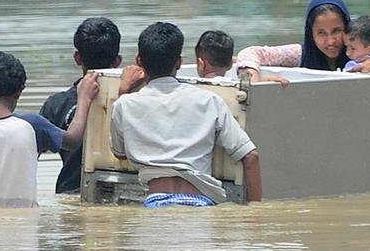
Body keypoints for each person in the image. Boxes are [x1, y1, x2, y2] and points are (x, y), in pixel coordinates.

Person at [110, 22, 262, 208]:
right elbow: (250, 156)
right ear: (179, 62)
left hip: (154, 204)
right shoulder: (209, 101)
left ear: (139, 60)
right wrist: (256, 214)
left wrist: (123, 91)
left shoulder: (124, 105)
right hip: (201, 203)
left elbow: (119, 153)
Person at [0, 51, 99, 207]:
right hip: (26, 222)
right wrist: (84, 99)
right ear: (19, 92)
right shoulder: (33, 125)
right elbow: (73, 140)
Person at [236, 0, 370, 77]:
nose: (330, 41)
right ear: (310, 34)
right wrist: (254, 79)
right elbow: (252, 53)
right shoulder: (301, 54)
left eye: (337, 31)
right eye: (321, 33)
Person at [40, 17, 122, 194]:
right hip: (121, 192)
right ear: (117, 61)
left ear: (77, 58)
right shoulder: (133, 98)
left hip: (70, 194)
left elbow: (30, 154)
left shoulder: (56, 105)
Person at [195, 29, 290, 86]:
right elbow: (251, 86)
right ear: (230, 64)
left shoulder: (197, 88)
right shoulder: (236, 85)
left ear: (201, 64)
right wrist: (268, 80)